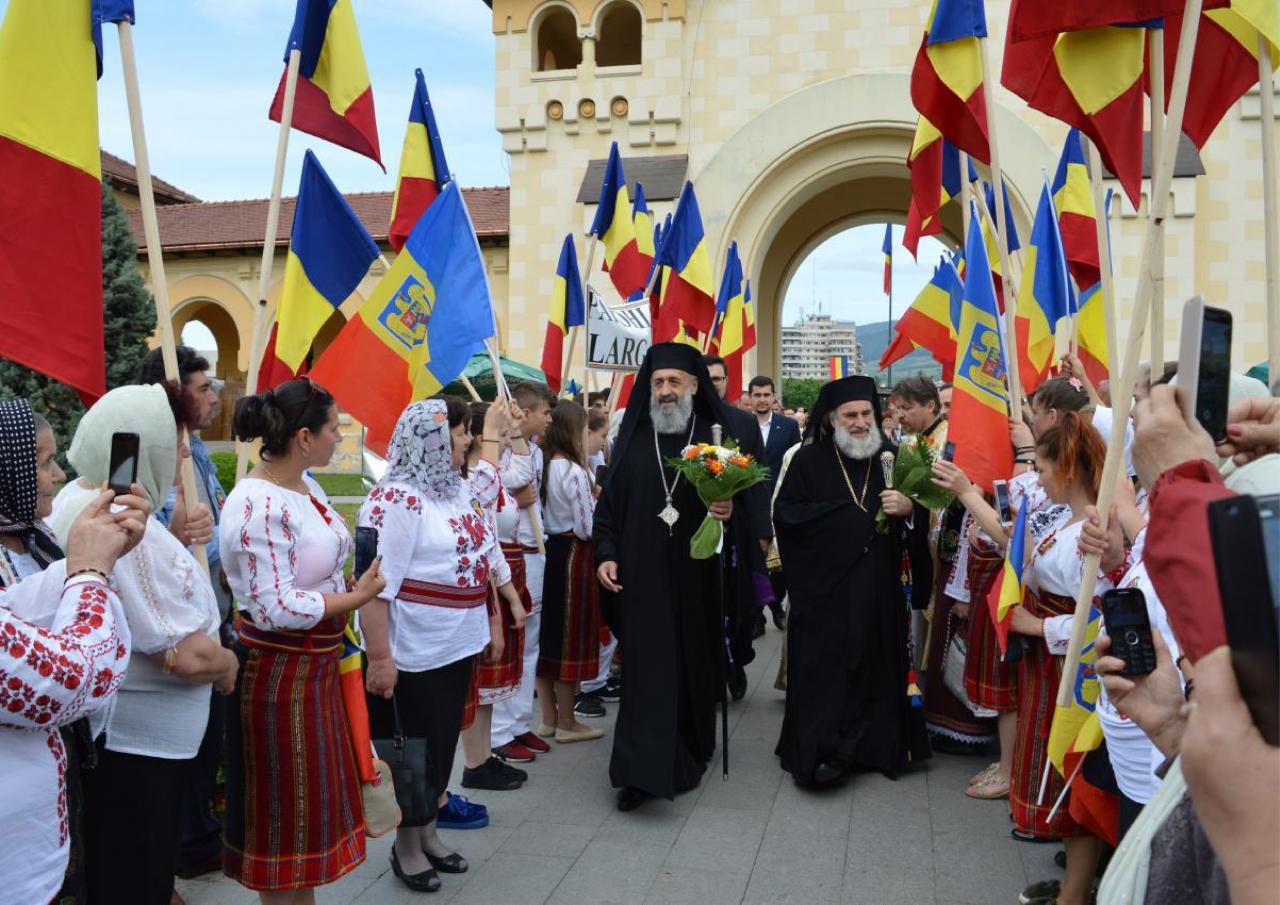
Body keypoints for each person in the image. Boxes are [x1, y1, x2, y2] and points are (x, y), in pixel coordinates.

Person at [48, 383, 234, 905]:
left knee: (127, 872)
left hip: (128, 746)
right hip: (138, 752)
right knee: (134, 880)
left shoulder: (86, 499)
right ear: (140, 444)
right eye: (172, 443)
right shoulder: (117, 521)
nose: (182, 455)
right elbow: (181, 652)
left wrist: (170, 531)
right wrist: (226, 664)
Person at [220, 378, 386, 902]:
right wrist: (356, 601)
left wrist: (348, 589)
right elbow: (276, 607)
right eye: (334, 428)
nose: (340, 437)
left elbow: (322, 568)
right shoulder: (256, 504)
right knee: (284, 824)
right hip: (278, 678)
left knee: (308, 818)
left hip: (315, 667)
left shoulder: (305, 487)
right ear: (304, 437)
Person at [361, 397, 519, 889]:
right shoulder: (395, 501)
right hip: (414, 651)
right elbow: (374, 587)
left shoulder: (456, 491)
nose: (468, 440)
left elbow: (484, 554)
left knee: (443, 743)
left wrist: (492, 621)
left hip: (457, 643)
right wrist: (381, 657)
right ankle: (406, 848)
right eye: (459, 433)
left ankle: (428, 833)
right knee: (411, 751)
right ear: (430, 440)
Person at [594, 343, 755, 811]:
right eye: (658, 383)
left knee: (691, 661)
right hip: (641, 576)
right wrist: (606, 553)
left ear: (693, 388)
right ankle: (641, 772)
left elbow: (745, 509)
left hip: (695, 576)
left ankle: (694, 743)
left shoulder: (715, 440)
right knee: (646, 669)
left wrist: (727, 510)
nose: (665, 391)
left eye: (674, 383)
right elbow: (609, 509)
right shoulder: (633, 438)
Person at [0, 398, 147, 905]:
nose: (56, 474)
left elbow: (17, 607)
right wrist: (88, 572)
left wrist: (92, 558)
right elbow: (74, 678)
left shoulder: (33, 535)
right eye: (41, 462)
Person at [772, 376, 933, 785]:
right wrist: (848, 523)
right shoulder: (808, 462)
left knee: (872, 661)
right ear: (831, 419)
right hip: (824, 590)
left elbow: (920, 520)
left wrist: (908, 509)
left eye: (867, 414)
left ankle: (873, 747)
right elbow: (787, 517)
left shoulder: (895, 458)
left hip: (879, 588)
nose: (861, 422)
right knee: (827, 668)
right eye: (851, 415)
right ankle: (827, 750)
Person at [1005, 412, 1115, 905]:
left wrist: (1038, 625)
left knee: (1072, 772)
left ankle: (1075, 893)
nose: (1040, 478)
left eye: (1044, 469)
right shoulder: (1074, 521)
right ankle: (1077, 884)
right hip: (1054, 665)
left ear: (1067, 471)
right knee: (1062, 770)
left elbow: (1101, 616)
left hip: (1073, 672)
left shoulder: (1093, 529)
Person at [134, 344, 232, 881]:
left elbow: (210, 525)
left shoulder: (192, 450)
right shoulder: (154, 455)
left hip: (210, 608)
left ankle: (198, 828)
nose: (214, 397)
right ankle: (181, 844)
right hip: (175, 627)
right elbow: (147, 542)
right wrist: (181, 537)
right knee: (182, 748)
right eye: (201, 388)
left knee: (207, 737)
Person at [458, 401, 531, 792]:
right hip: (485, 584)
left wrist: (515, 431)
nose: (504, 442)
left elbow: (524, 470)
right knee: (481, 678)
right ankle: (475, 761)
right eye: (497, 435)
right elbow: (485, 545)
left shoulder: (494, 475)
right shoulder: (470, 481)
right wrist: (509, 598)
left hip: (501, 578)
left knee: (491, 684)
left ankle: (483, 756)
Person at [703, 354, 778, 694]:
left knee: (741, 607)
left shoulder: (744, 424)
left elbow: (759, 479)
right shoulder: (685, 423)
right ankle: (712, 672)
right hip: (697, 537)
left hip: (739, 533)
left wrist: (763, 531)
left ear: (726, 382)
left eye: (717, 378)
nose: (711, 384)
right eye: (705, 378)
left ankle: (736, 663)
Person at [491, 381, 556, 764]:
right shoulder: (496, 445)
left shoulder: (535, 451)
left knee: (530, 644)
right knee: (512, 643)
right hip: (508, 553)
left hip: (534, 552)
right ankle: (499, 731)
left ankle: (518, 723)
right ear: (524, 413)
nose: (549, 419)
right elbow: (491, 484)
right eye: (544, 412)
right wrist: (515, 495)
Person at [535, 399, 605, 742]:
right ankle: (567, 721)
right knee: (569, 633)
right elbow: (586, 526)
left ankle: (548, 717)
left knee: (548, 633)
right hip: (575, 554)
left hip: (552, 550)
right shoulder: (575, 471)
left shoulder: (546, 464)